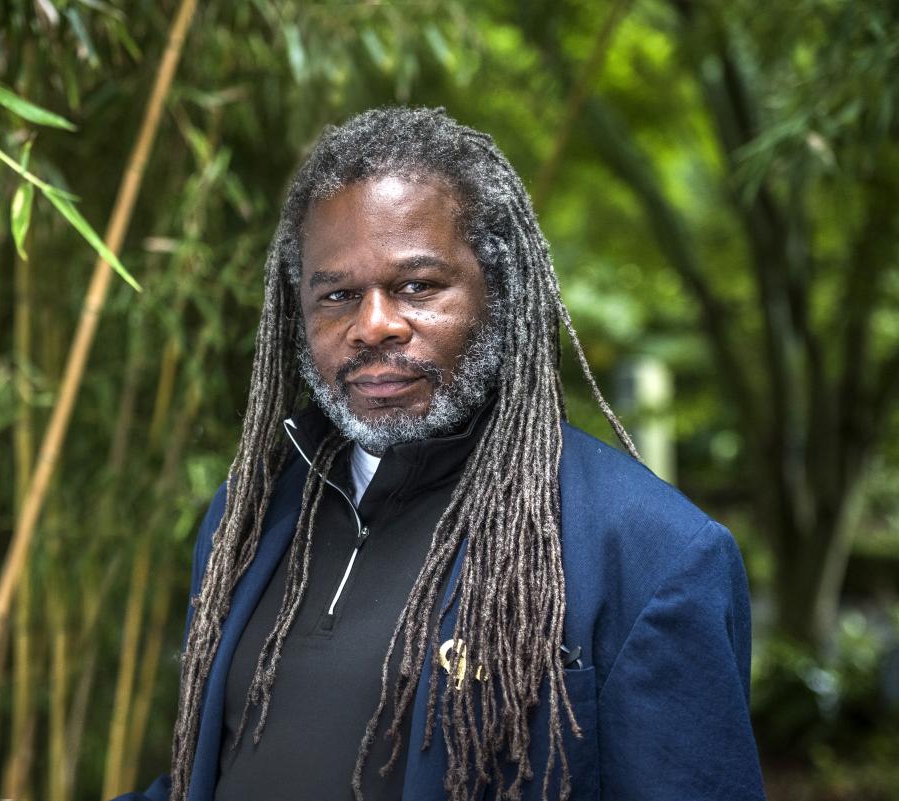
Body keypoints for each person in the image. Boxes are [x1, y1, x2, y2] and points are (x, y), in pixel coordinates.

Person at [118, 107, 765, 801]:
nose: (373, 325)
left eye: (416, 287)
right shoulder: (250, 510)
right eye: (337, 294)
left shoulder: (651, 553)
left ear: (501, 290)